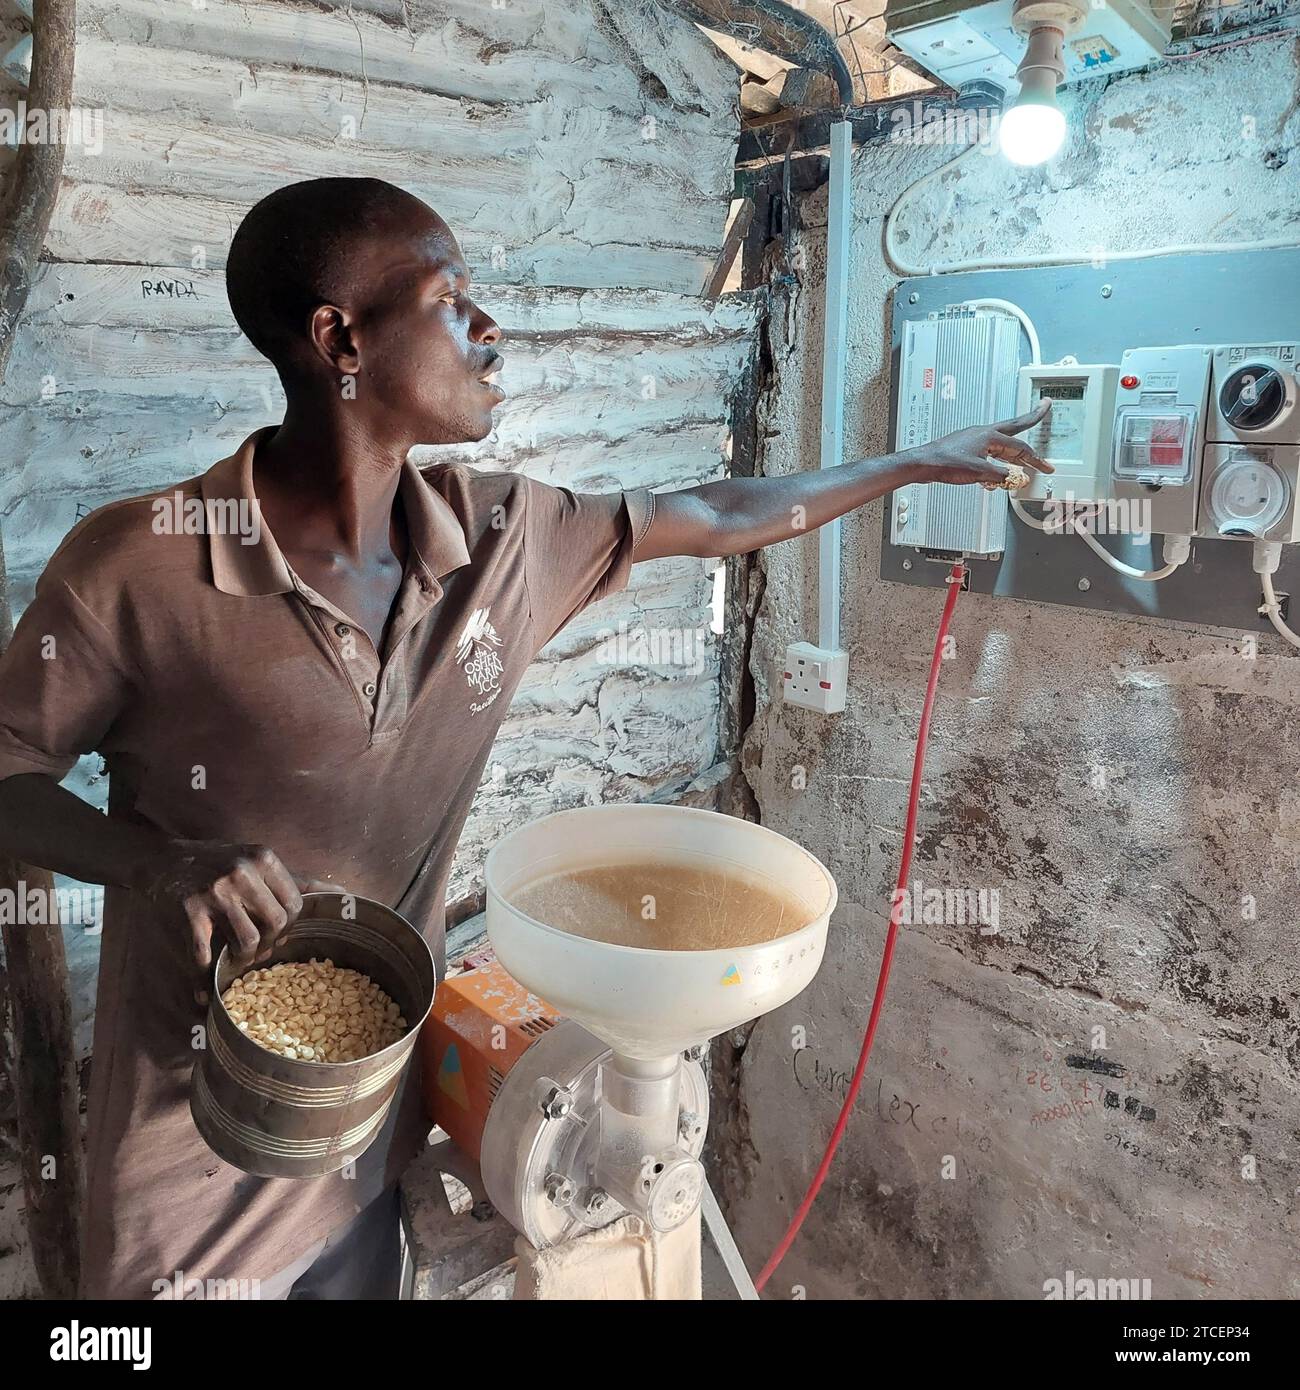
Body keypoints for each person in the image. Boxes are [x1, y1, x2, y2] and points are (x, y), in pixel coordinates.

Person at [0, 177, 1050, 1299]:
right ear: (339, 337)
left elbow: (721, 513)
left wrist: (911, 463)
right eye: (451, 299)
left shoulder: (505, 537)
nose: (490, 330)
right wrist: (155, 864)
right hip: (192, 1164)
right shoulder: (144, 562)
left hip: (367, 1148)